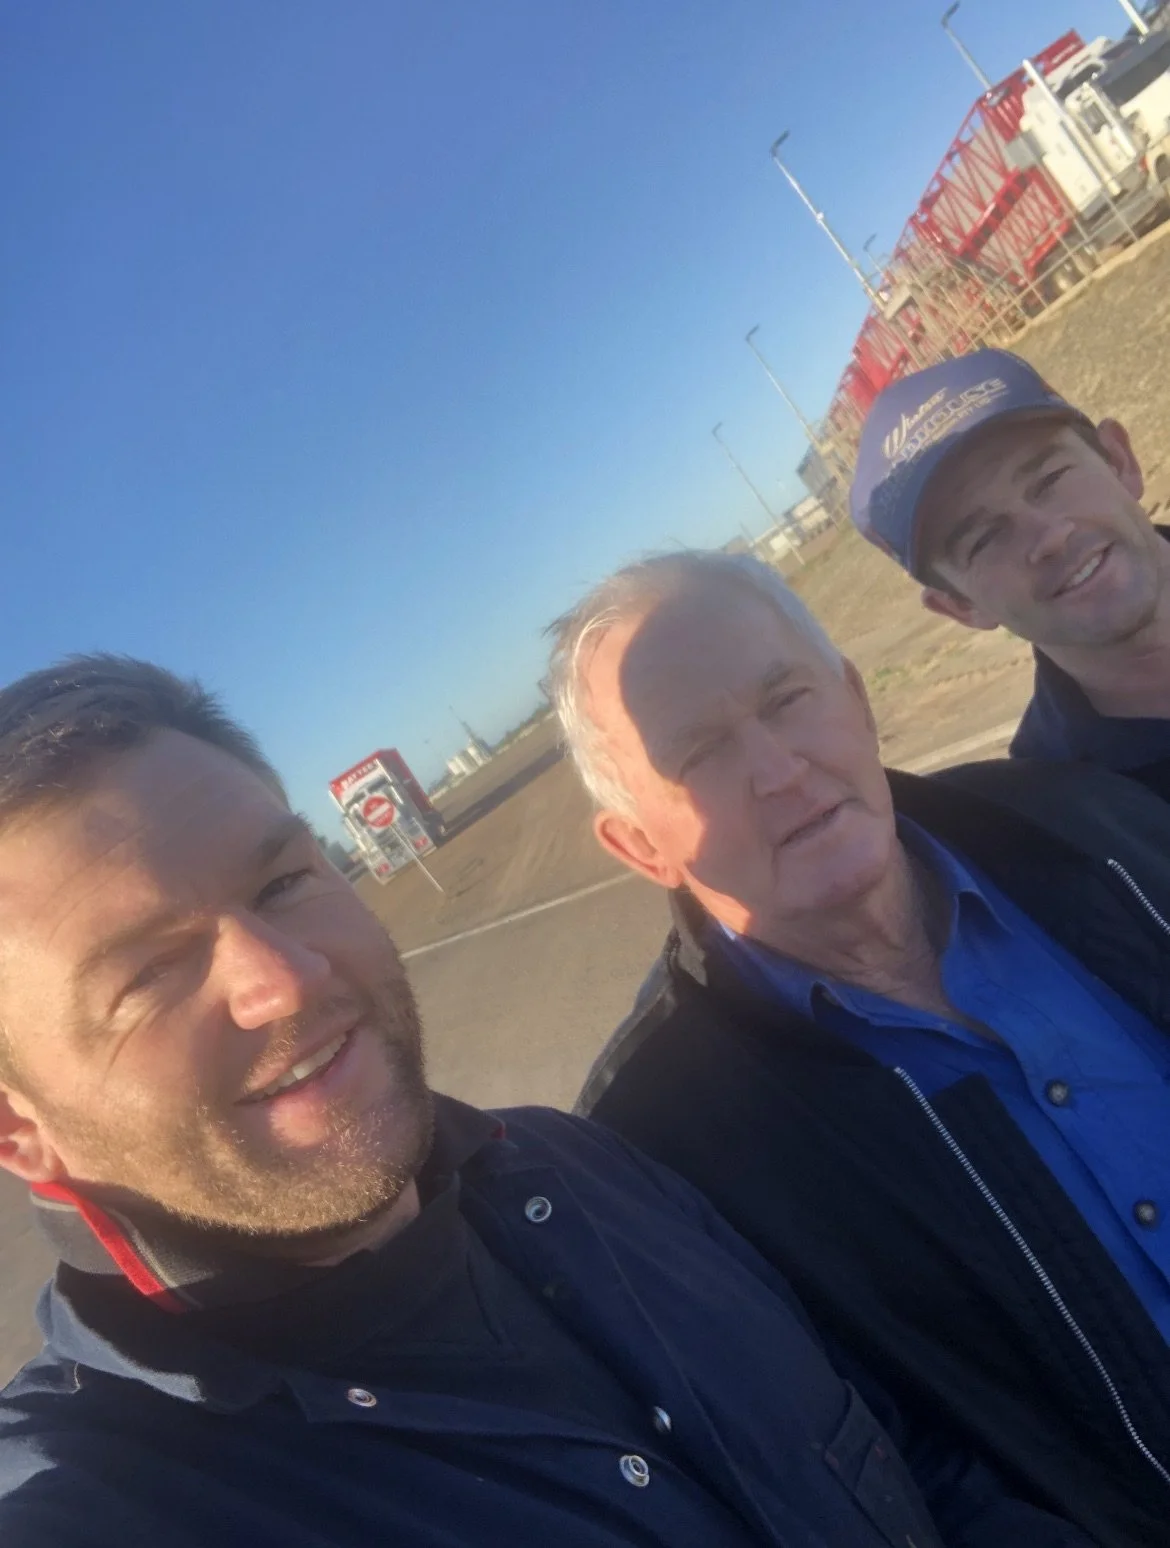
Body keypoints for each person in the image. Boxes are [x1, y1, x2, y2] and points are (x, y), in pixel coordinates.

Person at [0, 655, 1079, 1548]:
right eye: (146, 975)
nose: (285, 978)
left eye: (282, 883)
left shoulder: (583, 1168)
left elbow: (904, 1462)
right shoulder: (107, 1496)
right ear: (19, 1127)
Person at [547, 550, 1170, 1548]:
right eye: (699, 751)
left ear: (853, 698)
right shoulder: (661, 1156)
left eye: (789, 698)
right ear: (638, 847)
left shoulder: (1077, 819)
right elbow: (878, 1483)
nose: (780, 770)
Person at [850, 346, 1170, 795]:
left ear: (1120, 461)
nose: (1050, 538)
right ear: (960, 606)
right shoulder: (1063, 824)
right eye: (984, 539)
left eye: (1050, 479)